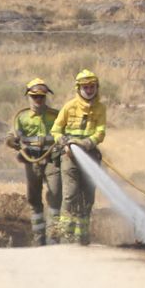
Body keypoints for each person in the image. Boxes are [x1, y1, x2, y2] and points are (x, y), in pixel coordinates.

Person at [51, 68, 107, 246]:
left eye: (92, 87)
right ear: (79, 88)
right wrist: (64, 143)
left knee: (88, 197)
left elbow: (100, 132)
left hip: (90, 156)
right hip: (69, 156)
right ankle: (65, 237)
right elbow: (56, 130)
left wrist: (88, 143)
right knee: (70, 195)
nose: (89, 90)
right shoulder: (69, 107)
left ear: (97, 88)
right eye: (85, 87)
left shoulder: (100, 108)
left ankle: (82, 237)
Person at [5, 78, 62, 245]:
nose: (38, 100)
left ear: (46, 97)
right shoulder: (22, 118)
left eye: (41, 97)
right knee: (33, 198)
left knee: (56, 194)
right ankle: (39, 240)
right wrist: (11, 141)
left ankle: (54, 238)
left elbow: (65, 132)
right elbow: (11, 135)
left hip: (52, 159)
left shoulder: (56, 115)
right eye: (34, 96)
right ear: (29, 97)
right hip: (32, 160)